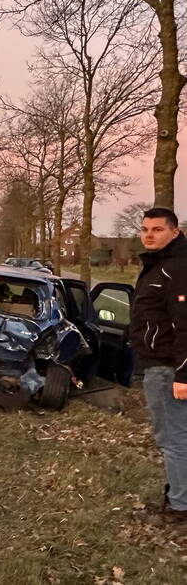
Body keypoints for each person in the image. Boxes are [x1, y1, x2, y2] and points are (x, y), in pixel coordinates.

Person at [129, 207, 187, 519]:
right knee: (179, 436)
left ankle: (180, 507)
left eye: (157, 229)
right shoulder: (160, 266)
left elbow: (185, 326)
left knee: (173, 439)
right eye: (145, 229)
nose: (149, 235)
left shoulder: (175, 269)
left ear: (174, 232)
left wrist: (183, 375)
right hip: (163, 366)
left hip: (167, 369)